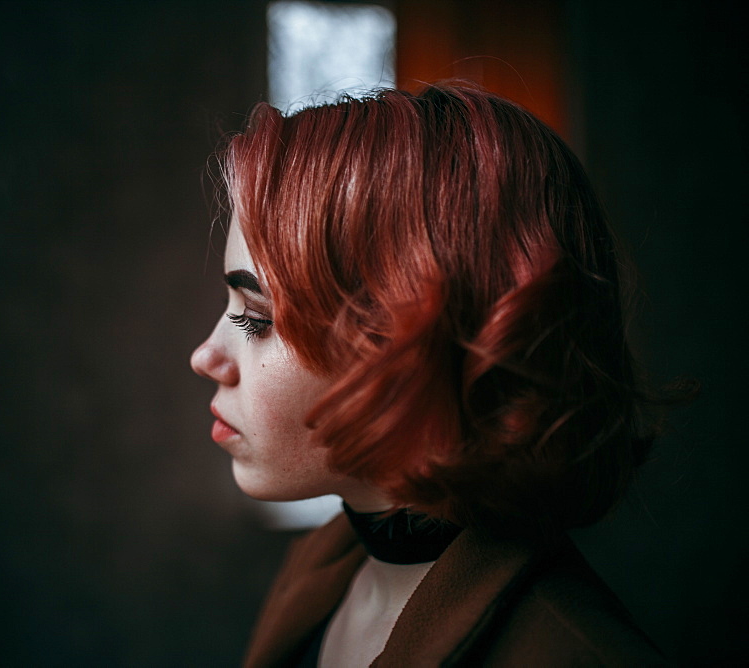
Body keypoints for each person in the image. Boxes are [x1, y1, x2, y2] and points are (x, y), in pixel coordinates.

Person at [190, 82, 671, 667]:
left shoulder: (570, 652)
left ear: (418, 344)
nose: (205, 356)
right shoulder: (320, 572)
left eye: (257, 319)